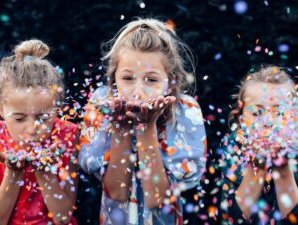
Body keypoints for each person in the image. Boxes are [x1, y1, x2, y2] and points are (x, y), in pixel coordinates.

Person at [78, 18, 207, 225]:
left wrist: (147, 129)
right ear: (114, 80)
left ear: (170, 83)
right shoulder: (102, 103)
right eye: (128, 78)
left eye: (151, 80)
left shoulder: (185, 111)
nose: (138, 91)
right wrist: (121, 130)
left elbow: (157, 200)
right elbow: (117, 193)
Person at [0, 40, 79, 225]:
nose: (33, 128)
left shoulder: (67, 136)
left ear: (57, 108)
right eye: (19, 118)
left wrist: (45, 171)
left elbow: (63, 218)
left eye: (43, 118)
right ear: (0, 109)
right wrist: (13, 173)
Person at [220, 66, 298, 225]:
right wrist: (257, 168)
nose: (269, 122)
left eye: (280, 112)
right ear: (242, 121)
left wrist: (282, 169)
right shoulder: (233, 147)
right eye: (258, 113)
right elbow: (230, 220)